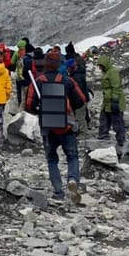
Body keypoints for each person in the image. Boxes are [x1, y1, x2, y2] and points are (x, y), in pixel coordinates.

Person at [25, 50, 87, 204]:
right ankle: (72, 179)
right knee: (72, 156)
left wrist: (41, 109)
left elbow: (29, 104)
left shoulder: (38, 81)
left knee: (52, 159)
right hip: (66, 125)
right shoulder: (67, 81)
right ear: (59, 64)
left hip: (47, 126)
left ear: (45, 63)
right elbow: (81, 99)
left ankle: (58, 191)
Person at [96, 53, 126, 149]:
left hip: (113, 101)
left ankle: (121, 141)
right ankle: (103, 137)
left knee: (117, 121)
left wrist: (115, 100)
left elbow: (116, 86)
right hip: (107, 101)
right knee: (104, 119)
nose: (100, 67)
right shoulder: (106, 72)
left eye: (101, 65)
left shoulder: (112, 72)